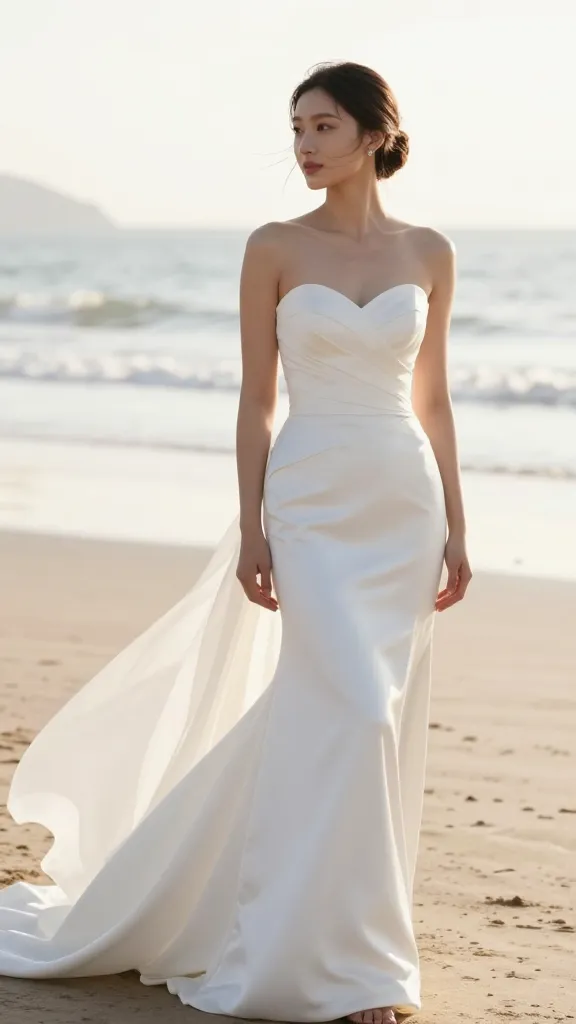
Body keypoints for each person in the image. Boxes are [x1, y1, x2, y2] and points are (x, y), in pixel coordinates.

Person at [0, 61, 472, 1024]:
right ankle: (346, 963)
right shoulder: (272, 246)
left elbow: (434, 398)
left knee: (364, 721)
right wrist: (252, 520)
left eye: (324, 127)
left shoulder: (430, 251)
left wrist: (460, 525)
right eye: (296, 127)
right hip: (308, 496)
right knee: (345, 710)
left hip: (399, 504)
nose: (304, 145)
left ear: (376, 135)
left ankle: (357, 954)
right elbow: (257, 400)